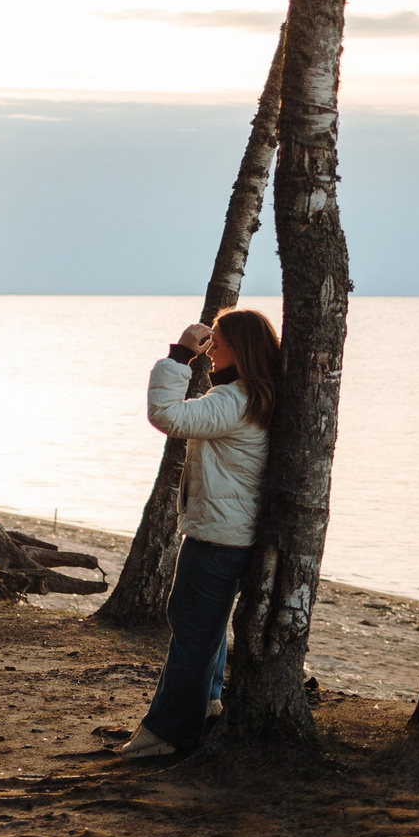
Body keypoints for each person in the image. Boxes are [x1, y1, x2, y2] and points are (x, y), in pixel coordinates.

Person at [114, 308, 282, 760]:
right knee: (204, 631)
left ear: (241, 349)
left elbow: (167, 415)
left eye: (218, 343)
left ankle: (168, 732)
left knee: (191, 632)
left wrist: (180, 354)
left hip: (217, 538)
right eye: (207, 345)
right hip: (235, 533)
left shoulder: (236, 399)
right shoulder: (262, 394)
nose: (211, 352)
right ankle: (206, 705)